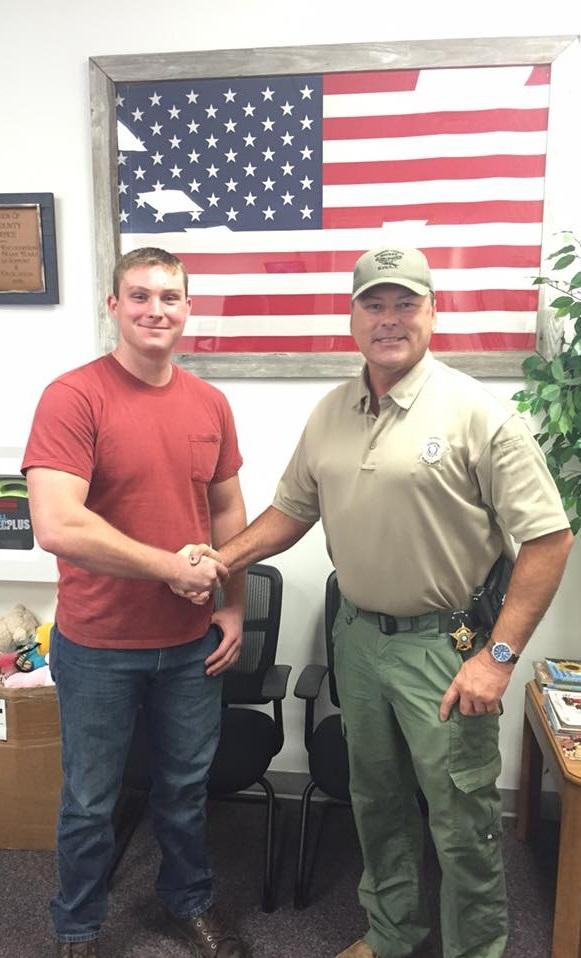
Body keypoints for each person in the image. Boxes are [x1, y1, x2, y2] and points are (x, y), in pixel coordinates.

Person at [208, 245, 574, 958]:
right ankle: (392, 933)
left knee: (460, 818)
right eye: (373, 304)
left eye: (405, 303)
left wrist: (497, 658)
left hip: (448, 647)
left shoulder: (476, 413)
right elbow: (291, 511)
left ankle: (476, 949)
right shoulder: (331, 412)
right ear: (352, 317)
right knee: (376, 806)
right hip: (359, 640)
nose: (388, 319)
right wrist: (221, 561)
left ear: (431, 313)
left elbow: (549, 541)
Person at [22, 247, 249, 958]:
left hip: (188, 646)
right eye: (141, 295)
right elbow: (58, 524)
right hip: (98, 646)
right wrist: (170, 570)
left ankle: (188, 902)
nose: (157, 309)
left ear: (188, 307)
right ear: (112, 305)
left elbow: (227, 510)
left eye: (171, 297)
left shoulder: (209, 403)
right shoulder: (74, 396)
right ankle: (77, 927)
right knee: (91, 801)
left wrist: (231, 604)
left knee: (184, 790)